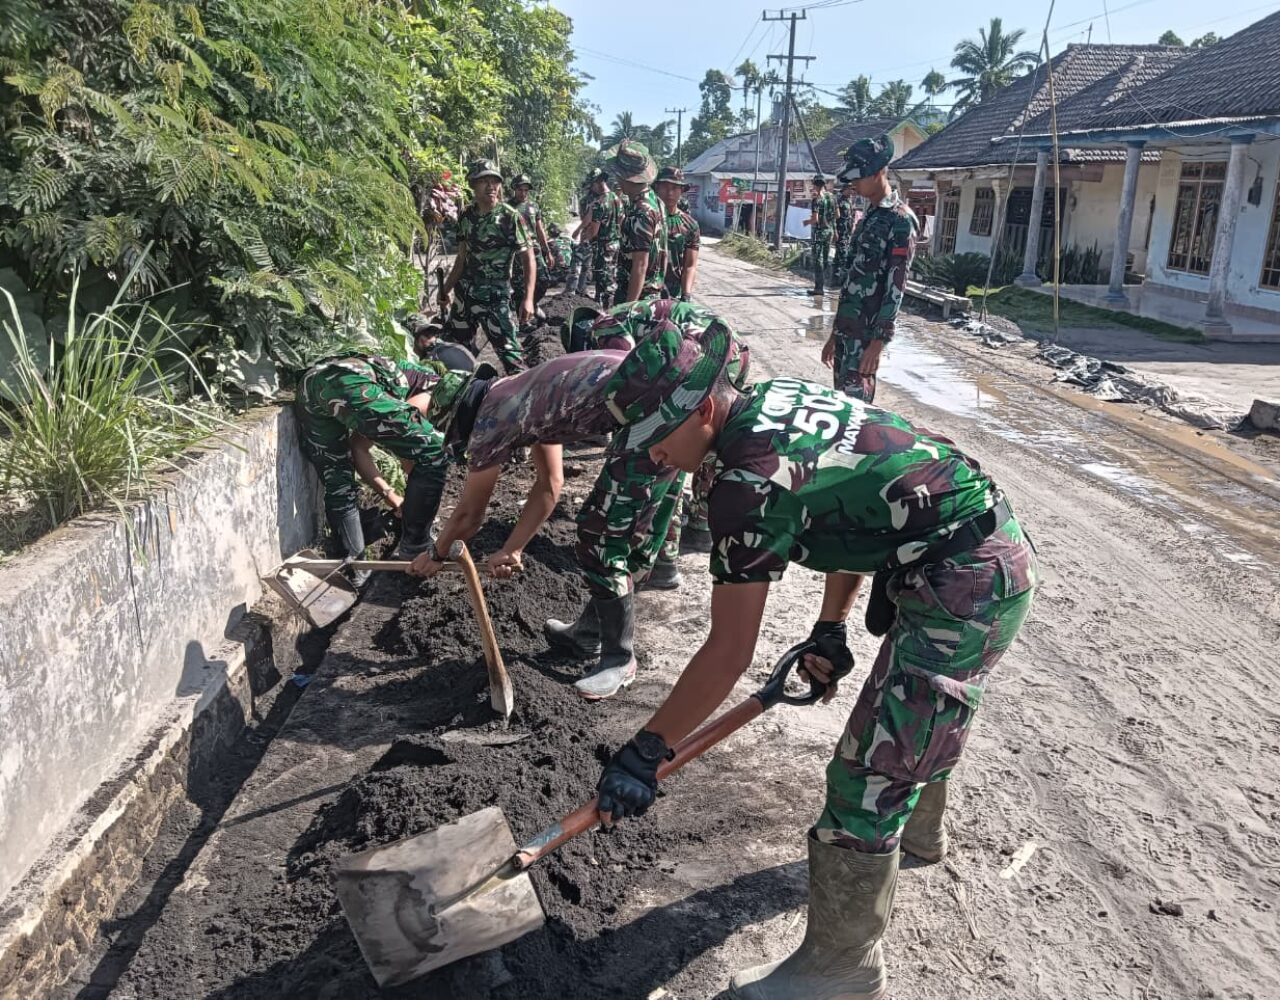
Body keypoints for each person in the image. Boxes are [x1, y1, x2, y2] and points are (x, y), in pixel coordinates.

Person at [591, 327, 1039, 999]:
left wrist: (647, 749)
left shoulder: (746, 482)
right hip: (957, 547)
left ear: (705, 410)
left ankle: (841, 970)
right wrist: (830, 627)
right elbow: (849, 514)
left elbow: (727, 653)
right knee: (909, 716)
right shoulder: (770, 401)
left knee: (867, 774)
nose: (654, 454)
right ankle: (919, 835)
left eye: (660, 435)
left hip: (967, 578)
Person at [295, 353, 451, 575]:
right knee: (434, 448)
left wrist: (394, 498)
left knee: (338, 480)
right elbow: (421, 454)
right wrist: (417, 512)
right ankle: (415, 547)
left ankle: (355, 573)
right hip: (348, 382)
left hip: (312, 385)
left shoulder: (403, 379)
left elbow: (359, 447)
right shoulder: (434, 392)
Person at [821, 135, 919, 404]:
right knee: (839, 413)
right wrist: (834, 334)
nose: (853, 183)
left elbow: (895, 287)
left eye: (859, 177)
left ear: (878, 173)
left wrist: (878, 344)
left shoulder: (900, 221)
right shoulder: (869, 217)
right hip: (846, 333)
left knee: (855, 419)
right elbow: (853, 281)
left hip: (865, 339)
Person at [439, 159, 534, 375]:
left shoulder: (510, 217)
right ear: (473, 184)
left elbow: (529, 259)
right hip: (466, 296)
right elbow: (461, 259)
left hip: (495, 295)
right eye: (484, 181)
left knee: (512, 360)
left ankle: (524, 402)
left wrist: (528, 299)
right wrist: (445, 290)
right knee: (452, 355)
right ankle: (457, 398)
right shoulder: (466, 217)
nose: (491, 186)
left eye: (495, 181)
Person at [609, 140, 668, 304]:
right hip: (652, 293)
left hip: (638, 298)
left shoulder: (641, 212)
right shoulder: (656, 201)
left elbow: (640, 266)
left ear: (624, 176)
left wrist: (627, 309)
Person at [507, 172, 554, 323]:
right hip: (517, 252)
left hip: (534, 249)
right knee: (520, 286)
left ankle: (532, 304)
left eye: (526, 190)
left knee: (544, 279)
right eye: (520, 189)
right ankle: (523, 321)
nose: (523, 193)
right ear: (515, 189)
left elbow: (540, 230)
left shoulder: (533, 206)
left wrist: (547, 251)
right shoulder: (507, 208)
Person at [574, 166, 625, 305]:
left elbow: (594, 231)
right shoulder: (617, 199)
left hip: (603, 246)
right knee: (612, 276)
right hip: (615, 244)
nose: (592, 188)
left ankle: (604, 310)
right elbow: (621, 220)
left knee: (602, 279)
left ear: (598, 182)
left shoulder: (599, 203)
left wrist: (585, 241)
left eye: (593, 184)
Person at [654, 166, 700, 301]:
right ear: (657, 188)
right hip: (647, 291)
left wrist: (686, 295)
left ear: (681, 191)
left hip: (674, 294)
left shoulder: (690, 225)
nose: (669, 192)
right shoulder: (646, 218)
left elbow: (690, 265)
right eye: (665, 187)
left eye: (674, 188)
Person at [802, 174, 836, 296]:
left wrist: (806, 222)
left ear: (815, 184)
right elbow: (836, 215)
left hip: (819, 232)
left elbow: (815, 219)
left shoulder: (817, 199)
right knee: (825, 258)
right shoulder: (832, 197)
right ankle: (824, 282)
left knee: (817, 259)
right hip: (829, 231)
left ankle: (819, 287)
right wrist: (835, 231)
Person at [832, 186, 855, 279]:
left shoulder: (849, 200)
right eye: (849, 189)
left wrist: (851, 229)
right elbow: (833, 217)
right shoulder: (838, 200)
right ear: (844, 189)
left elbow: (850, 216)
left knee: (838, 255)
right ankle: (844, 277)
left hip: (847, 232)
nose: (851, 191)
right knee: (843, 254)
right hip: (840, 231)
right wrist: (834, 232)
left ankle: (835, 277)